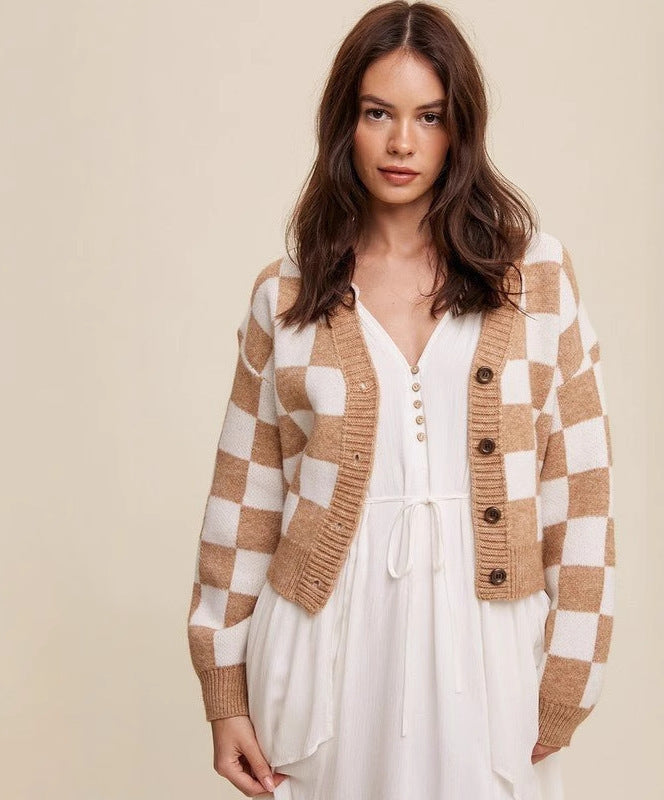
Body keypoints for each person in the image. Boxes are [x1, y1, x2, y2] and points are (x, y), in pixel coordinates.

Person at [186, 2, 615, 798]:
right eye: (378, 113)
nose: (401, 144)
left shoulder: (537, 278)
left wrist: (570, 673)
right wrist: (224, 690)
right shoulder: (285, 296)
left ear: (461, 130)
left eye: (430, 116)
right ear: (344, 123)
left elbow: (582, 489)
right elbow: (244, 500)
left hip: (489, 649)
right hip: (325, 649)